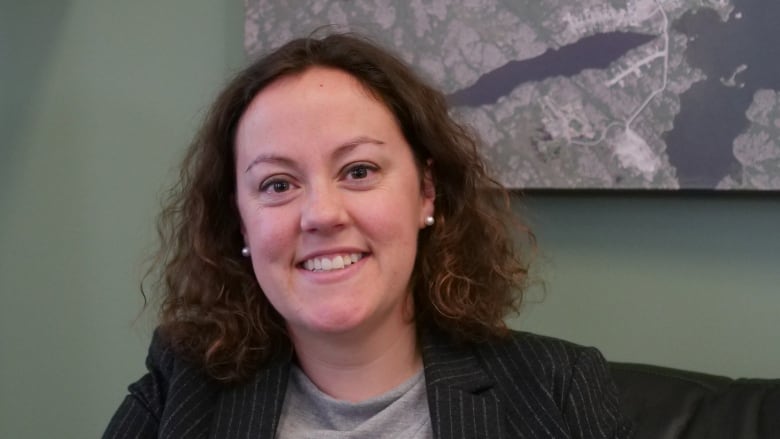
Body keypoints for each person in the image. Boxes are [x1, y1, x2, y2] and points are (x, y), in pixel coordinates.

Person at [104, 32, 632, 438]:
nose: (322, 214)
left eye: (358, 171)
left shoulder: (560, 386)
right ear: (240, 221)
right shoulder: (181, 390)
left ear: (426, 192)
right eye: (278, 183)